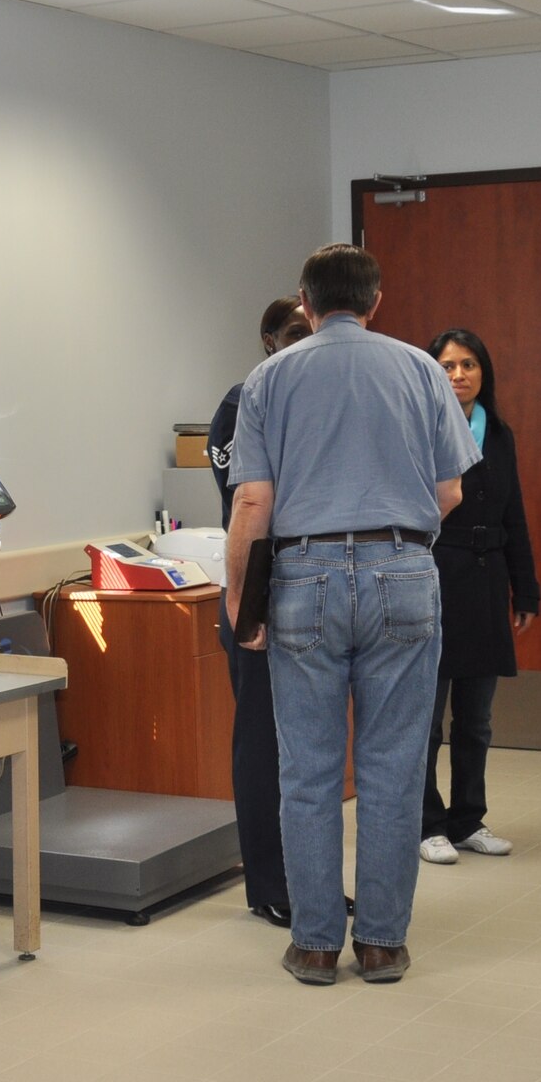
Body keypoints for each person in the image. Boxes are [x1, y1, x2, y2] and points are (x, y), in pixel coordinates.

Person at [225, 244, 478, 988]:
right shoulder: (421, 370)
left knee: (307, 770)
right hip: (403, 573)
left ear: (305, 303)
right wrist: (392, 533)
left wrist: (243, 602)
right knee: (393, 768)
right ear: (375, 300)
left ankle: (312, 945)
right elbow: (451, 493)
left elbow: (251, 503)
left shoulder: (268, 379)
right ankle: (381, 944)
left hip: (303, 578)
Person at [419, 328, 539, 866]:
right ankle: (427, 823)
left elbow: (514, 515)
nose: (458, 375)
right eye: (447, 365)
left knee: (477, 719)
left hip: (489, 583)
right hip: (436, 578)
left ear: (483, 373)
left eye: (468, 364)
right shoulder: (419, 429)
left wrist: (525, 587)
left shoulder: (501, 434)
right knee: (426, 717)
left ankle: (469, 819)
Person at [207, 296, 309, 927]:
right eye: (295, 332)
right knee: (263, 745)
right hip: (259, 588)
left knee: (310, 752)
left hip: (313, 587)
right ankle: (269, 885)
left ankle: (310, 883)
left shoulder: (313, 398)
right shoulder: (243, 403)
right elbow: (246, 502)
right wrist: (247, 606)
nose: (305, 342)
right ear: (269, 339)